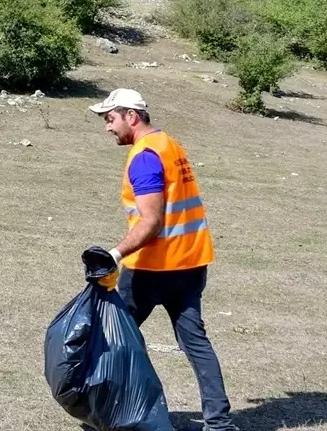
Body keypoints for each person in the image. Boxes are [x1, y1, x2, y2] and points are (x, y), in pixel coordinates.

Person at [89, 88, 236, 431]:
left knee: (111, 339)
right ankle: (219, 422)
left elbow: (151, 221)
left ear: (131, 116)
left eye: (110, 119)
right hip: (191, 263)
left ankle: (111, 412)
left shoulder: (143, 156)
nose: (107, 128)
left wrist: (113, 255)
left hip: (151, 270)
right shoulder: (169, 144)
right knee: (195, 343)